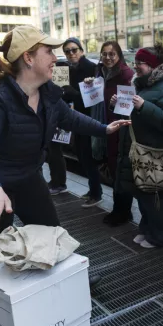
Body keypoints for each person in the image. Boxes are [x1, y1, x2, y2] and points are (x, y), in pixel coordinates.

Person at [0, 25, 130, 326]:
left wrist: (105, 129)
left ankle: (60, 285)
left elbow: (71, 119)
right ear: (28, 58)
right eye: (48, 52)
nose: (55, 57)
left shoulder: (49, 92)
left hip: (26, 176)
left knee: (52, 231)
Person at [112, 44, 163, 248]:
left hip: (156, 155)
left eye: (140, 63)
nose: (136, 66)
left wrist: (144, 106)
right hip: (140, 153)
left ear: (153, 66)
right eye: (135, 62)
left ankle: (160, 236)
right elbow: (131, 116)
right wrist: (117, 104)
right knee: (143, 194)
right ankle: (147, 228)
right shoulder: (142, 87)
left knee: (157, 198)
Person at [47, 38, 102, 208]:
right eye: (67, 51)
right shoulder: (66, 70)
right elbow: (65, 92)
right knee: (82, 155)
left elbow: (96, 95)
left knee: (89, 156)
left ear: (81, 50)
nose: (71, 54)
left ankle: (96, 193)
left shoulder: (91, 68)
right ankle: (93, 189)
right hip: (73, 116)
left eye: (74, 50)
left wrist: (75, 93)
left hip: (89, 117)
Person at [92, 41, 135, 226]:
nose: (108, 58)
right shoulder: (100, 72)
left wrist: (114, 104)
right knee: (112, 167)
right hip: (106, 127)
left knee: (121, 170)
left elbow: (129, 107)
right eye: (104, 54)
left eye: (112, 54)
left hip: (121, 130)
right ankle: (119, 209)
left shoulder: (126, 74)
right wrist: (90, 83)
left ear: (119, 56)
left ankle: (123, 212)